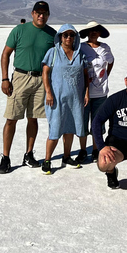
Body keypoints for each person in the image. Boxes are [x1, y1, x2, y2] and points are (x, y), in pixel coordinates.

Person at [0, 1, 56, 174]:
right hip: (20, 78)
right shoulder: (19, 30)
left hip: (41, 80)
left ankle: (29, 154)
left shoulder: (52, 34)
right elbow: (5, 54)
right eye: (38, 12)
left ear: (48, 15)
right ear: (32, 14)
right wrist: (5, 79)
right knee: (11, 118)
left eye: (44, 13)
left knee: (33, 118)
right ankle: (6, 157)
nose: (41, 16)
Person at [40, 24, 89, 174]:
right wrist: (48, 92)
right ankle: (47, 160)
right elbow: (45, 73)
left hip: (75, 99)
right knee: (55, 129)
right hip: (57, 99)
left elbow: (86, 76)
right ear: (60, 37)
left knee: (70, 128)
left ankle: (67, 157)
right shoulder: (53, 53)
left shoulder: (80, 54)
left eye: (71, 35)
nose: (68, 38)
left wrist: (86, 93)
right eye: (65, 35)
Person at [79, 21, 115, 162]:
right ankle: (82, 150)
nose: (94, 33)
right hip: (84, 93)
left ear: (100, 33)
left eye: (96, 30)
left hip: (100, 93)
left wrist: (106, 74)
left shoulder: (105, 48)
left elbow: (111, 61)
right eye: (91, 30)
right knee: (82, 122)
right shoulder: (81, 47)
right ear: (87, 33)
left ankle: (95, 149)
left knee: (97, 122)